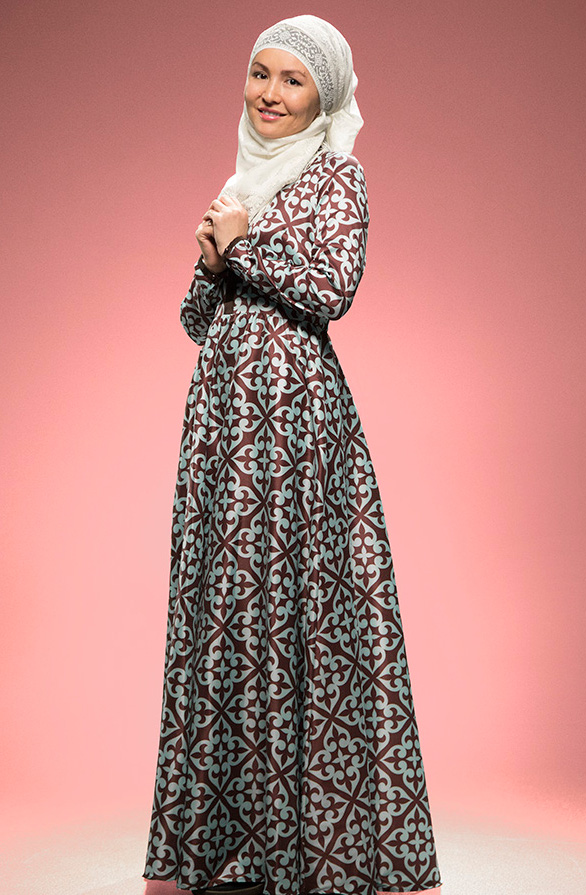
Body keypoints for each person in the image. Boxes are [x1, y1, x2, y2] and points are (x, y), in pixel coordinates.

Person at [142, 15, 442, 895]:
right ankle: (230, 846)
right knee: (229, 612)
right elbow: (197, 323)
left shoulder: (335, 176)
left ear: (326, 95)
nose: (268, 94)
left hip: (296, 428)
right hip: (223, 432)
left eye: (292, 80)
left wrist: (243, 242)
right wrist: (212, 261)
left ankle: (310, 848)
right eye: (259, 73)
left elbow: (331, 289)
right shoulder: (243, 181)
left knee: (299, 611)